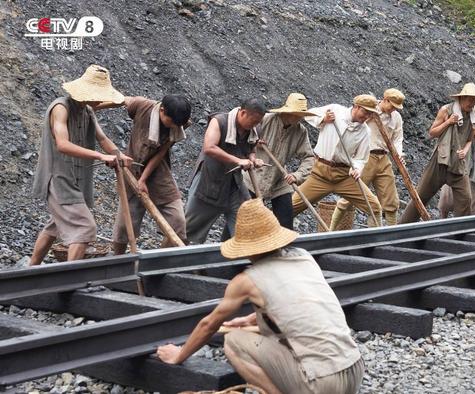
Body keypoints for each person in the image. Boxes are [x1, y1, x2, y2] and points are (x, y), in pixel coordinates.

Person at [156, 199, 364, 393]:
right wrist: (248, 319)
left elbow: (209, 325)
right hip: (354, 368)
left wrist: (178, 355)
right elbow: (299, 304)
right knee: (263, 333)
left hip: (322, 383)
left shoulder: (247, 280)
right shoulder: (304, 257)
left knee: (234, 342)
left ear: (245, 246)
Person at [29, 65, 133, 265]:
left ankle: (30, 269)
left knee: (56, 225)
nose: (99, 101)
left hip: (75, 179)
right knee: (85, 228)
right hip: (58, 179)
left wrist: (118, 155)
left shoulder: (87, 111)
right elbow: (63, 144)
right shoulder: (60, 108)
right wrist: (101, 157)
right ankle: (69, 279)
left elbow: (102, 139)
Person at [95, 95, 191, 253]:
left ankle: (160, 265)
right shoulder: (142, 106)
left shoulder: (180, 123)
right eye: (171, 122)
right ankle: (118, 261)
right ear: (162, 110)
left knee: (178, 222)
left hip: (160, 172)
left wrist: (144, 179)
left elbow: (161, 152)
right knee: (124, 227)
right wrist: (91, 107)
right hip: (131, 168)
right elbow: (120, 99)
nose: (174, 126)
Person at [400, 83, 475, 223]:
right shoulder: (446, 110)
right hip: (440, 160)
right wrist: (448, 122)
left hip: (458, 163)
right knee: (421, 195)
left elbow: (470, 140)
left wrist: (465, 152)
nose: (472, 104)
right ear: (462, 98)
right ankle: (402, 226)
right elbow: (432, 133)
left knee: (466, 198)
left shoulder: (473, 117)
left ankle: (461, 231)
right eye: (470, 100)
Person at [290, 94, 382, 227]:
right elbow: (308, 114)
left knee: (374, 207)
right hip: (319, 174)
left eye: (370, 114)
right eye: (365, 112)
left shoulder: (365, 131)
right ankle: (272, 239)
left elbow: (361, 158)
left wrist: (356, 169)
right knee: (289, 207)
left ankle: (376, 242)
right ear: (356, 107)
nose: (367, 117)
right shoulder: (335, 111)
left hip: (344, 176)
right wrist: (324, 119)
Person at [185, 99, 266, 244]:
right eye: (253, 121)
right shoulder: (219, 121)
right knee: (187, 230)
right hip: (209, 181)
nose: (255, 126)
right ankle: (165, 258)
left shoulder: (254, 129)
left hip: (234, 184)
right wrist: (238, 160)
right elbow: (209, 148)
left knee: (247, 223)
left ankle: (238, 261)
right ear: (243, 113)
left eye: (257, 122)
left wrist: (253, 159)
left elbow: (251, 149)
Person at [331, 88, 406, 227]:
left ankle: (390, 235)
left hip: (384, 158)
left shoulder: (396, 118)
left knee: (391, 200)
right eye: (392, 106)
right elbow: (352, 123)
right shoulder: (369, 110)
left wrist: (399, 154)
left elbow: (397, 138)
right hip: (366, 157)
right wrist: (368, 118)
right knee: (350, 197)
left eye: (396, 108)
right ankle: (331, 230)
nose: (393, 110)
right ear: (385, 100)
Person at [243, 93, 315, 230]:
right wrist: (254, 143)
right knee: (242, 221)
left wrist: (297, 175)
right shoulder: (265, 120)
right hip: (253, 177)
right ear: (287, 111)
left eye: (301, 114)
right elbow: (243, 136)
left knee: (285, 221)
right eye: (296, 114)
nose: (300, 118)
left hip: (279, 179)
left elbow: (309, 157)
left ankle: (283, 250)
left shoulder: (300, 131)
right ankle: (225, 248)